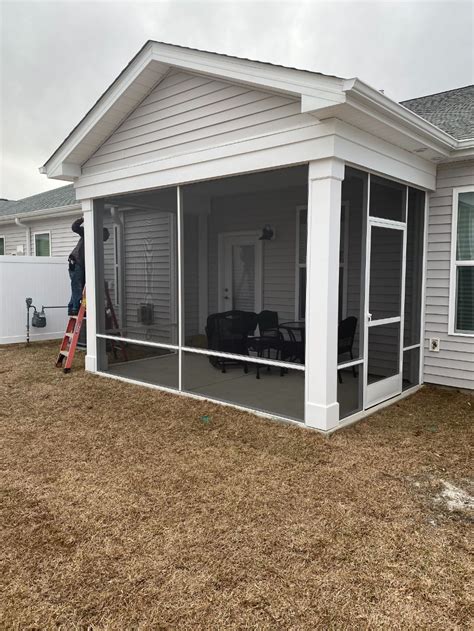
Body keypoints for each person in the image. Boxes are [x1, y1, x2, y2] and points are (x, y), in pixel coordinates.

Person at [68, 218, 109, 315]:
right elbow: (74, 227)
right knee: (77, 286)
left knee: (79, 287)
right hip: (76, 262)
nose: (101, 240)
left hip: (83, 265)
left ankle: (72, 307)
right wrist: (83, 219)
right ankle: (75, 308)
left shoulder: (97, 244)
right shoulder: (88, 233)